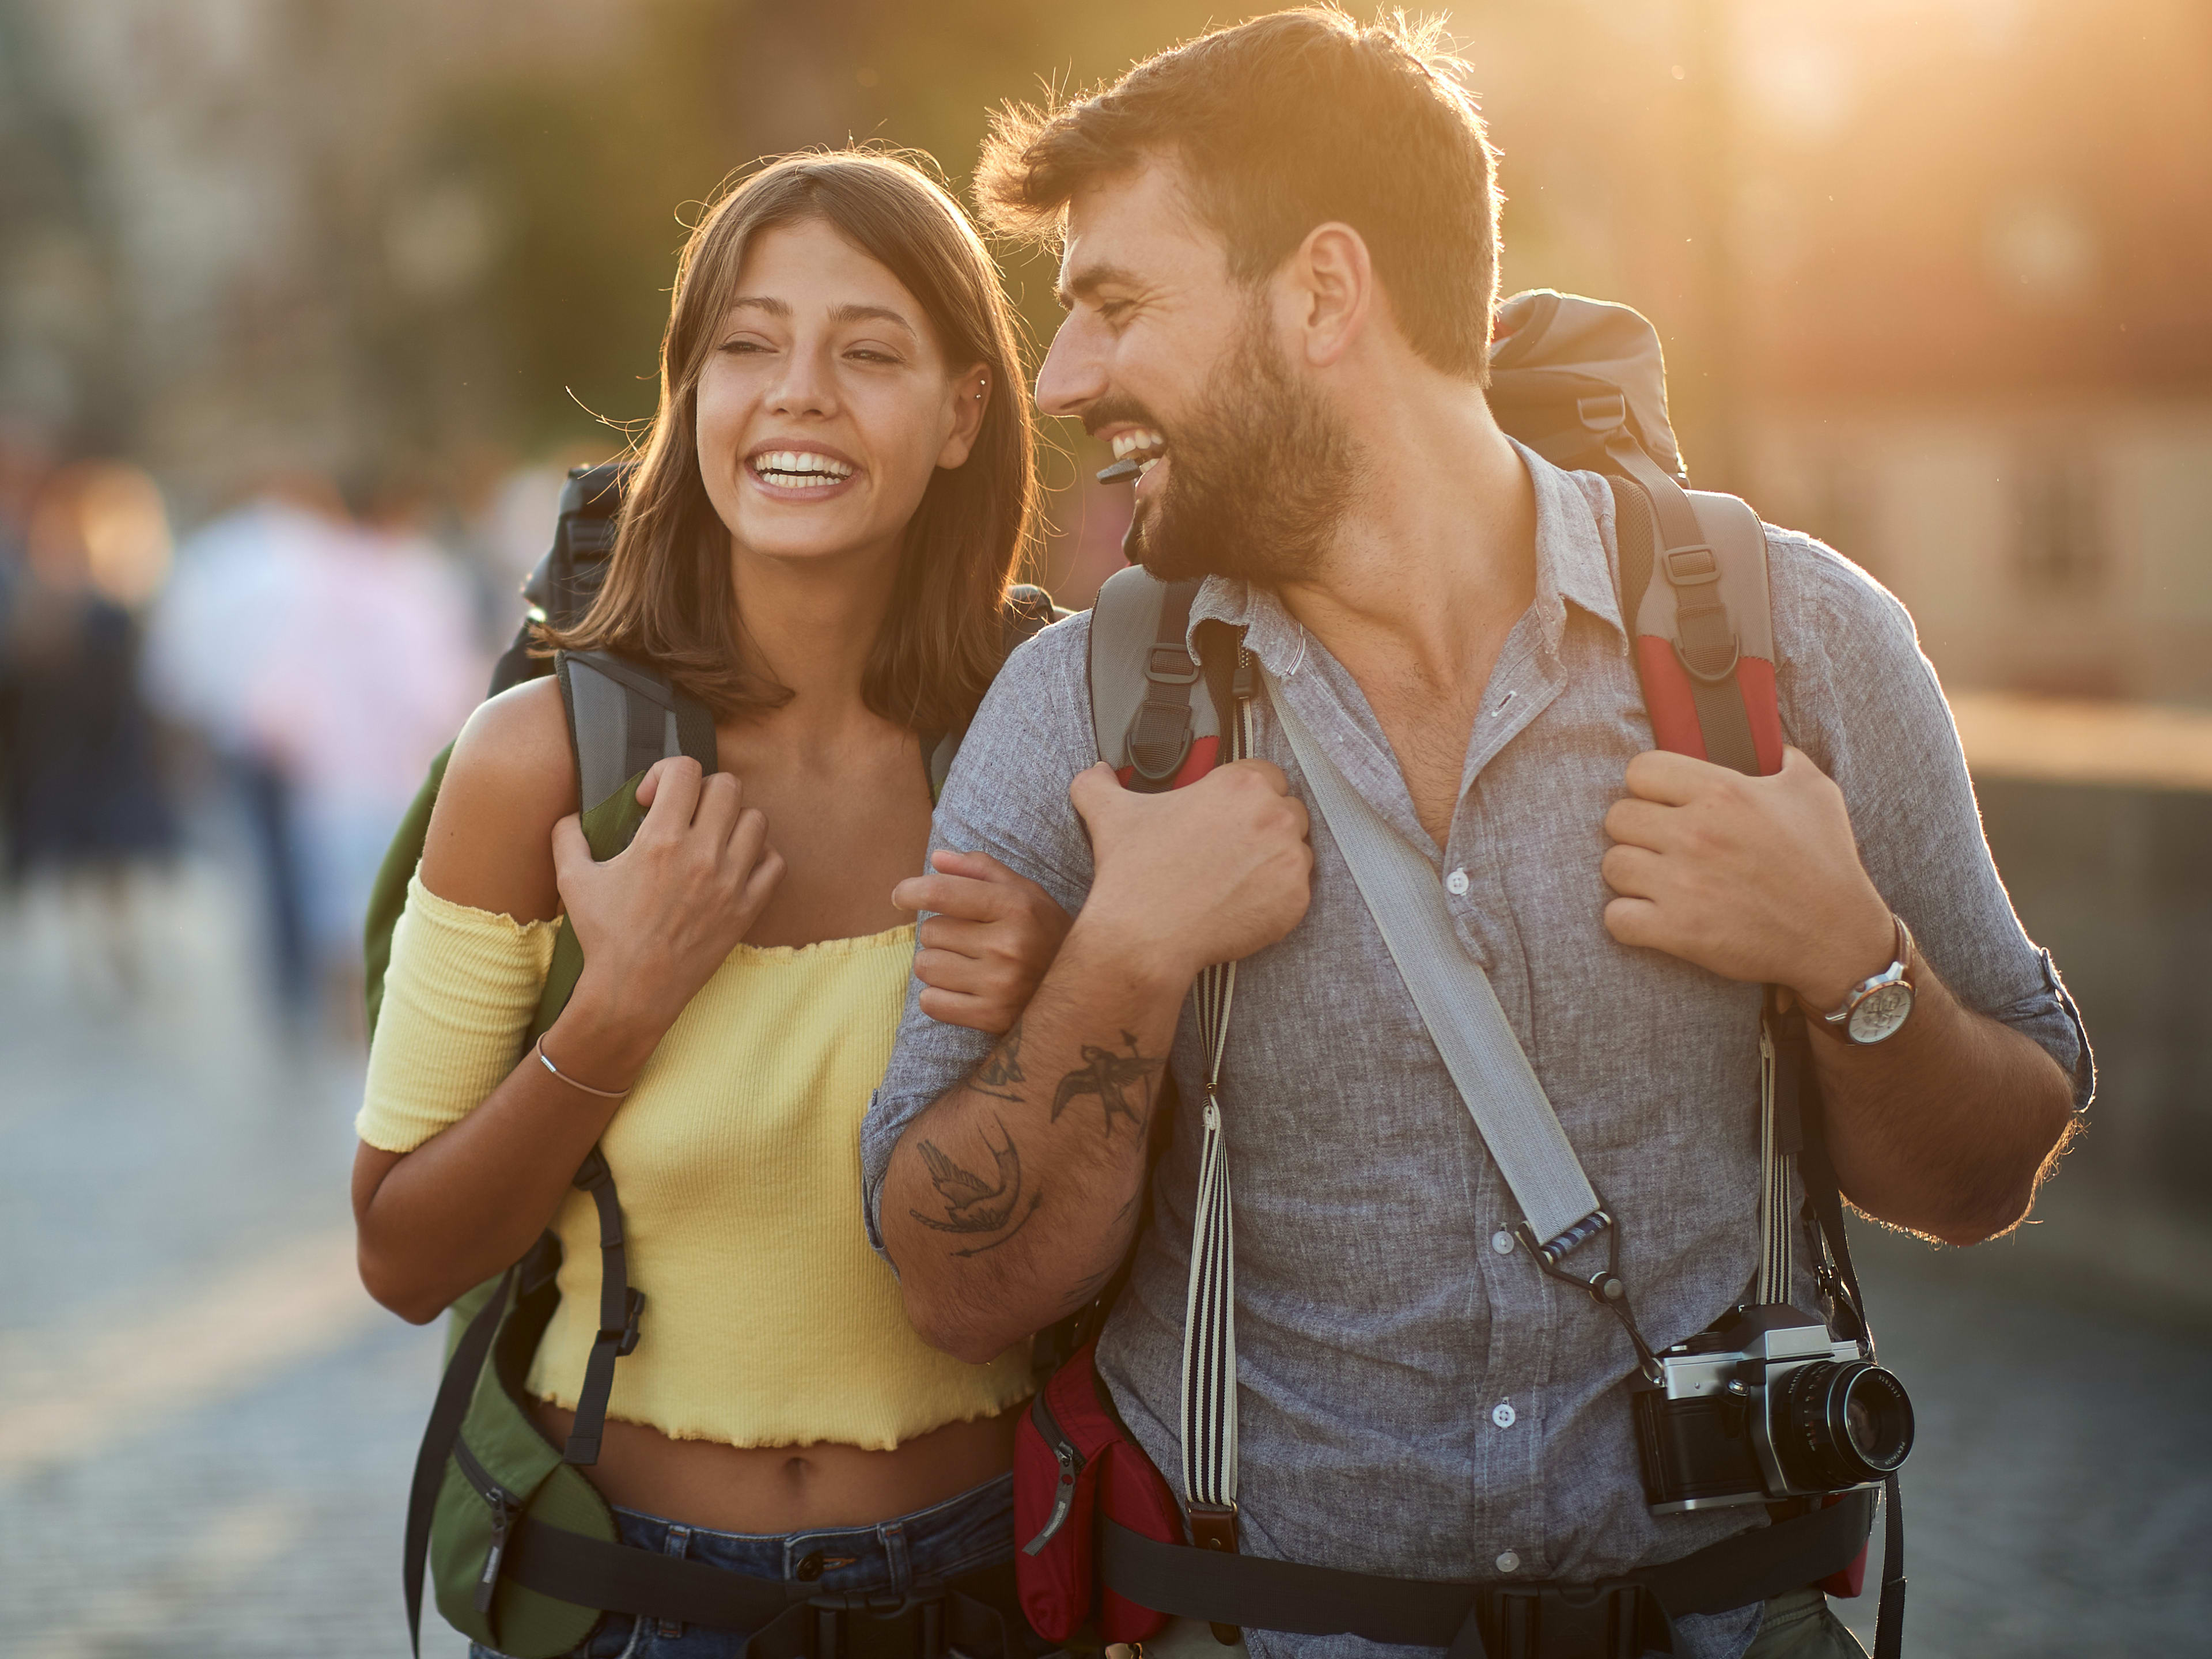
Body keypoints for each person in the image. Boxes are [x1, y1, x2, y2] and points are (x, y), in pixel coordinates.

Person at [861, 13, 2089, 1659]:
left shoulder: (1805, 644)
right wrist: (1128, 952)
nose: (1066, 378)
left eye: (1117, 307)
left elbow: (1993, 1167)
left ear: (1321, 293)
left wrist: (1851, 962)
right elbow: (950, 1284)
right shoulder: (1080, 712)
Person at [351, 151, 1071, 1659]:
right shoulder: (536, 765)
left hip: (991, 1595)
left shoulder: (1051, 731)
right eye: (746, 346)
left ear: (960, 416)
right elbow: (404, 1257)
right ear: (690, 402)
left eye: (867, 351)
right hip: (636, 1602)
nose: (797, 391)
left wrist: (1073, 983)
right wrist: (619, 1008)